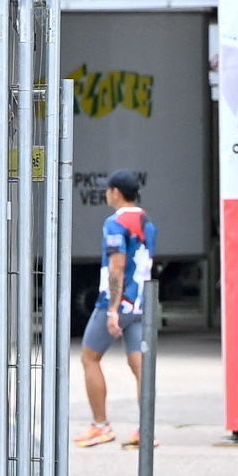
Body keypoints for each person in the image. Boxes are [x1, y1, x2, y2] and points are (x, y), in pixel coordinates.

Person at [77, 171, 153, 447]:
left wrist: (111, 309)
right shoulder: (147, 221)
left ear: (116, 192)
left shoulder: (114, 223)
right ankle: (146, 430)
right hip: (140, 302)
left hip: (116, 302)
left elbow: (117, 266)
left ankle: (101, 424)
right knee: (139, 365)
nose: (106, 194)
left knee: (89, 357)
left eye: (108, 190)